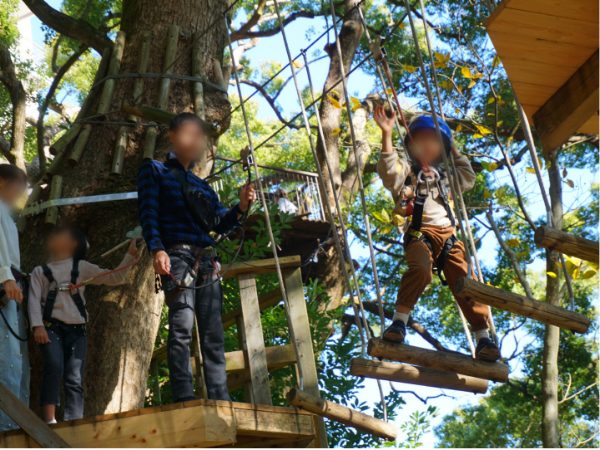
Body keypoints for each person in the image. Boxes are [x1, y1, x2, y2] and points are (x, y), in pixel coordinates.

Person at [137, 112, 256, 402]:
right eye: (187, 134)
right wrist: (157, 248)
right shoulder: (154, 170)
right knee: (182, 325)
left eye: (198, 136)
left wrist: (240, 207)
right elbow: (148, 213)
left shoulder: (203, 186)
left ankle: (220, 397)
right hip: (176, 255)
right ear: (172, 137)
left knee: (213, 332)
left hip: (206, 259)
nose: (193, 141)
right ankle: (183, 396)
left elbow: (219, 224)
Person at [374, 105, 500, 362]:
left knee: (466, 282)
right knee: (420, 270)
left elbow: (468, 176)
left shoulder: (446, 176)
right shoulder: (407, 174)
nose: (427, 146)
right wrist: (387, 134)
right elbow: (388, 172)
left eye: (433, 142)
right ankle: (399, 322)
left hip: (448, 235)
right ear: (410, 146)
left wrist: (452, 146)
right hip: (419, 233)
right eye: (421, 141)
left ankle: (483, 337)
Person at [28, 226, 138, 423]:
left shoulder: (82, 267)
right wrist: (38, 326)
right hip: (51, 328)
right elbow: (33, 300)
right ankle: (49, 419)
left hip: (77, 330)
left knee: (75, 376)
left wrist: (130, 255)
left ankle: (74, 421)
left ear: (73, 244)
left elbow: (115, 277)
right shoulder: (40, 271)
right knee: (53, 366)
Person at [0, 164, 29, 431]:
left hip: (11, 284)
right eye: (15, 189)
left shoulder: (6, 214)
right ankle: (6, 425)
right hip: (3, 284)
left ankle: (15, 422)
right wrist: (5, 276)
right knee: (6, 356)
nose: (17, 196)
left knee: (15, 357)